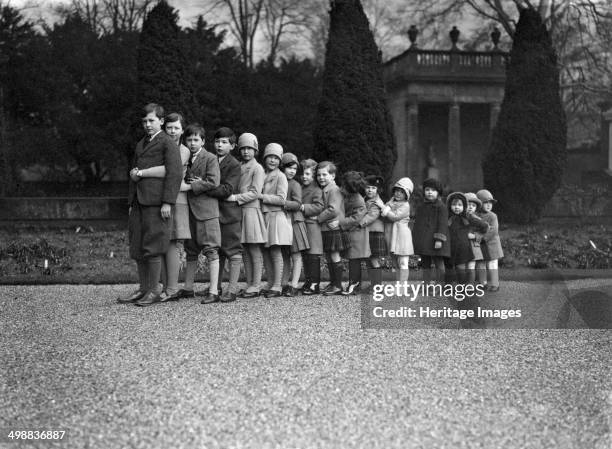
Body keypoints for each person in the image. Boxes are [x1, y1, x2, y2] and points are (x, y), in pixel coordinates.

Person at [117, 103, 182, 306]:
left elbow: (175, 174)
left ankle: (154, 290)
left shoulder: (167, 143)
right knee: (137, 246)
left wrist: (167, 202)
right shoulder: (141, 143)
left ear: (161, 121)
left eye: (151, 120)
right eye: (144, 121)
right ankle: (143, 288)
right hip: (139, 202)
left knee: (153, 245)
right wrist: (131, 201)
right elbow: (133, 176)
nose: (147, 125)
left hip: (156, 203)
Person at [180, 123, 222, 304]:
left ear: (203, 141)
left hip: (206, 212)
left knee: (211, 249)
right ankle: (188, 288)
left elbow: (213, 182)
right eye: (189, 139)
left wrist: (190, 186)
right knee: (190, 250)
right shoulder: (183, 157)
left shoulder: (210, 158)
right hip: (188, 210)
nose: (192, 143)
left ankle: (214, 290)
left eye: (196, 139)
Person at [202, 127, 243, 302]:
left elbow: (227, 189)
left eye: (224, 142)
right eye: (217, 141)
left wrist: (203, 188)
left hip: (229, 214)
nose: (220, 145)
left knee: (232, 250)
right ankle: (216, 286)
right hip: (213, 213)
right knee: (217, 250)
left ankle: (232, 289)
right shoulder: (210, 161)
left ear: (232, 146)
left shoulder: (234, 164)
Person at [226, 133, 266, 298]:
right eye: (243, 148)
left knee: (254, 250)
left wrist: (235, 197)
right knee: (245, 250)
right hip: (241, 212)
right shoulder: (239, 166)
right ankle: (250, 283)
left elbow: (255, 192)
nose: (246, 152)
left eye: (250, 148)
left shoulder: (257, 168)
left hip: (251, 211)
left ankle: (256, 285)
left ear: (255, 150)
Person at [259, 143, 292, 298]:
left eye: (275, 158)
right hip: (264, 216)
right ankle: (271, 282)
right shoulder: (262, 173)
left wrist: (262, 197)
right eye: (269, 157)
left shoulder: (280, 176)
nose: (272, 160)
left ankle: (278, 286)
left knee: (275, 251)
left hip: (276, 216)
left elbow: (281, 199)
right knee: (265, 252)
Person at [316, 161, 348, 296]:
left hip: (333, 228)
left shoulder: (334, 189)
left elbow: (333, 210)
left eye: (324, 174)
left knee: (334, 255)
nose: (321, 177)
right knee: (329, 255)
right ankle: (333, 282)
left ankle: (338, 285)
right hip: (327, 228)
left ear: (333, 176)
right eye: (318, 175)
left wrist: (318, 218)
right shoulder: (326, 189)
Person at [281, 152, 310, 297]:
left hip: (295, 222)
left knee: (296, 254)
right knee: (285, 254)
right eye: (289, 168)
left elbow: (298, 204)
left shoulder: (295, 184)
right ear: (283, 168)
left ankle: (294, 284)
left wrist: (282, 203)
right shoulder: (279, 180)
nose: (292, 171)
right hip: (282, 221)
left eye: (294, 168)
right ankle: (284, 283)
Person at [412, 178, 449, 285]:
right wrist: (416, 238)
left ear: (438, 192)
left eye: (433, 190)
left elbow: (442, 224)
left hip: (436, 240)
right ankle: (426, 282)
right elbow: (418, 223)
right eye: (427, 189)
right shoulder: (422, 207)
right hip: (424, 240)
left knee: (439, 263)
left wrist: (439, 239)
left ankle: (440, 283)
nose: (429, 192)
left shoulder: (441, 207)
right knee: (425, 263)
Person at [446, 192, 489, 285]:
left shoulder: (467, 217)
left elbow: (484, 226)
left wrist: (475, 235)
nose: (456, 207)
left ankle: (463, 286)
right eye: (454, 205)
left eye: (459, 205)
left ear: (463, 206)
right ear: (449, 205)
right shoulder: (448, 217)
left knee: (461, 268)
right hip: (450, 248)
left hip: (463, 248)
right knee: (449, 269)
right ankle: (449, 286)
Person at [377, 177, 414, 283]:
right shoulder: (392, 202)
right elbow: (387, 209)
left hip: (402, 236)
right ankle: (399, 283)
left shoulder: (405, 205)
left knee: (403, 262)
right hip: (393, 235)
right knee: (395, 262)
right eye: (397, 191)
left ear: (406, 194)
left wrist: (385, 209)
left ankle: (403, 286)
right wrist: (387, 207)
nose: (398, 194)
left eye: (402, 192)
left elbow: (394, 217)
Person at [339, 171, 370, 295]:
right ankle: (354, 284)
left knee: (354, 260)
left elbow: (355, 218)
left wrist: (341, 222)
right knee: (353, 260)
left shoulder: (358, 200)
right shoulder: (350, 196)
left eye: (344, 187)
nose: (342, 188)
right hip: (353, 233)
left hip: (357, 234)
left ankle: (354, 285)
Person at [299, 159, 324, 295]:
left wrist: (304, 207)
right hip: (304, 225)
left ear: (313, 176)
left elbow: (319, 206)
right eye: (303, 173)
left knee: (313, 255)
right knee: (306, 255)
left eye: (308, 174)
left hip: (313, 226)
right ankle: (308, 281)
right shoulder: (302, 188)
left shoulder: (316, 190)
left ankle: (315, 284)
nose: (304, 176)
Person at [359, 175, 388, 291]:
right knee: (368, 259)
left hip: (375, 233)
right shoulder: (365, 199)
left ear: (378, 190)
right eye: (368, 187)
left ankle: (378, 286)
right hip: (368, 232)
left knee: (374, 259)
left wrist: (358, 223)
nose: (370, 190)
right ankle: (374, 284)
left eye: (373, 188)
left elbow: (371, 216)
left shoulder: (377, 202)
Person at [476, 189, 504, 291]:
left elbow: (493, 230)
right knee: (481, 264)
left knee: (492, 264)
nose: (488, 205)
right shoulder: (475, 215)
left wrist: (481, 237)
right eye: (485, 202)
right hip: (480, 245)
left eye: (490, 203)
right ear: (479, 204)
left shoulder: (493, 216)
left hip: (492, 245)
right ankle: (482, 284)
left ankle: (495, 284)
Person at [464, 192, 485, 286]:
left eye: (473, 205)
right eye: (468, 205)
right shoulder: (460, 218)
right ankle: (463, 283)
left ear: (476, 208)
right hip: (463, 245)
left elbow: (485, 230)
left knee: (471, 266)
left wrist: (475, 235)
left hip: (473, 246)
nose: (471, 207)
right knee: (462, 266)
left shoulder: (477, 219)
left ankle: (470, 285)